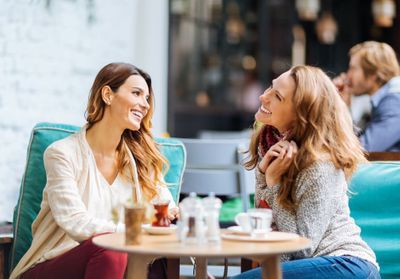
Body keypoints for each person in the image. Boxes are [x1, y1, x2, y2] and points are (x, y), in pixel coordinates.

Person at [10, 62, 179, 279]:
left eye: (146, 98)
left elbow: (164, 211)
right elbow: (76, 223)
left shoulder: (141, 161)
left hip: (120, 266)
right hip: (53, 267)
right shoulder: (62, 153)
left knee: (150, 261)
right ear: (107, 95)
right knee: (111, 249)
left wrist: (174, 215)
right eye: (137, 93)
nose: (145, 105)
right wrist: (139, 231)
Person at [233, 65, 380, 279]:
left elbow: (300, 251)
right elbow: (267, 226)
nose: (263, 96)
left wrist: (272, 182)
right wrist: (264, 174)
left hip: (347, 265)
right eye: (270, 88)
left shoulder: (320, 166)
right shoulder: (273, 148)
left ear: (301, 115)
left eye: (278, 97)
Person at [333, 41, 400, 151]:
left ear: (373, 74)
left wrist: (341, 107)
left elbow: (363, 148)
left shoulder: (394, 102)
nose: (347, 75)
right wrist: (344, 104)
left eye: (353, 68)